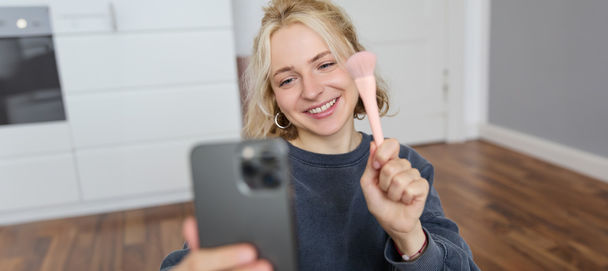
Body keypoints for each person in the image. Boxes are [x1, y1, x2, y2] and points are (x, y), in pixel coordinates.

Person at [160, 0, 479, 270]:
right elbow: (196, 259)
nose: (312, 91)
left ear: (356, 64)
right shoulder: (252, 173)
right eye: (287, 80)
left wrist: (409, 236)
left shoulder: (407, 166)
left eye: (325, 64)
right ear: (275, 99)